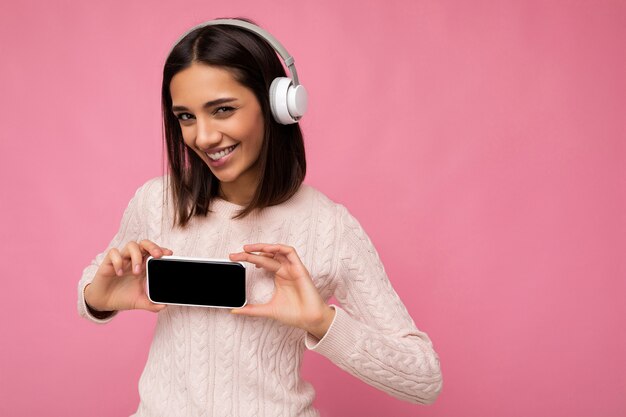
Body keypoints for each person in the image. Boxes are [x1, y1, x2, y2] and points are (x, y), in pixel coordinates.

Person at [78, 18, 442, 417]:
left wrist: (322, 323)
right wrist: (97, 299)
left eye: (223, 110)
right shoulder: (157, 201)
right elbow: (96, 280)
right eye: (186, 117)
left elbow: (424, 379)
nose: (203, 137)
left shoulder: (328, 226)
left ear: (276, 106)